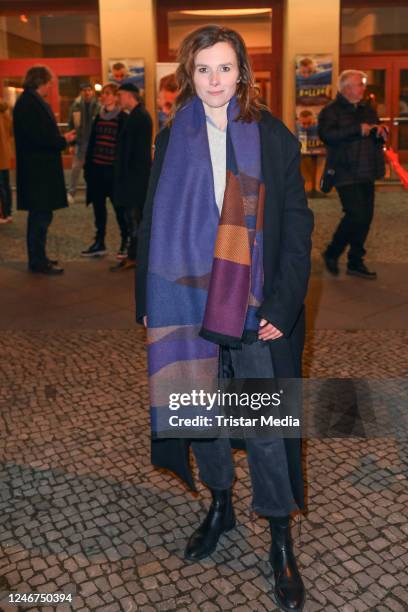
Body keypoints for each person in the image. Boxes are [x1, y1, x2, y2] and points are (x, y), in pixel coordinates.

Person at [136, 26, 313, 611]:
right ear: (189, 74)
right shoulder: (173, 137)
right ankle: (220, 502)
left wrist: (283, 307)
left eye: (226, 68)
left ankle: (280, 537)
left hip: (254, 304)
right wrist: (148, 299)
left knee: (266, 424)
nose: (215, 80)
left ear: (243, 73)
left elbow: (297, 228)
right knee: (202, 414)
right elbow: (151, 220)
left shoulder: (272, 136)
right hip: (187, 304)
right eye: (204, 69)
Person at [318, 70, 387, 280]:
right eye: (360, 84)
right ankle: (332, 252)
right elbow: (327, 136)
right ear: (347, 88)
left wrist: (380, 132)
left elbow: (373, 135)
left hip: (368, 170)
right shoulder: (331, 110)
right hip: (344, 171)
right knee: (356, 214)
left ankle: (356, 261)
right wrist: (357, 129)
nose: (363, 88)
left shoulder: (367, 108)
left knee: (365, 218)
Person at [13, 65, 76, 274]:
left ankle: (39, 258)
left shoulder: (29, 101)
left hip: (38, 172)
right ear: (40, 81)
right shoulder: (29, 103)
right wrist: (62, 140)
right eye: (49, 82)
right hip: (38, 173)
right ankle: (38, 261)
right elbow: (38, 137)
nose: (51, 86)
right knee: (40, 218)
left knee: (40, 217)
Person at [81, 83, 127, 258]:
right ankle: (100, 242)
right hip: (97, 171)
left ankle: (125, 240)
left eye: (109, 94)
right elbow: (92, 143)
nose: (105, 97)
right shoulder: (98, 118)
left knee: (119, 209)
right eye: (103, 94)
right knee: (98, 209)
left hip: (113, 173)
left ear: (116, 97)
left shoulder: (123, 118)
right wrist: (88, 168)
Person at [111, 83, 152, 271]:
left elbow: (135, 153)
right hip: (133, 178)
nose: (118, 99)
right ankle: (134, 255)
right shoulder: (135, 116)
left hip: (135, 179)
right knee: (132, 218)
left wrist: (124, 175)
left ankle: (135, 256)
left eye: (120, 95)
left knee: (135, 219)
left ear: (129, 96)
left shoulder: (140, 117)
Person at [67, 83, 100, 205]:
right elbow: (70, 124)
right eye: (84, 90)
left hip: (94, 144)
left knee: (93, 170)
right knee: (75, 169)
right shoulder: (75, 106)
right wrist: (71, 144)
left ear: (92, 92)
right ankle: (71, 193)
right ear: (81, 92)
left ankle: (93, 193)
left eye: (89, 90)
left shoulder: (98, 106)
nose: (87, 92)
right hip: (80, 143)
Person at [0, 99, 13, 224]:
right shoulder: (5, 115)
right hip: (5, 156)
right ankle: (8, 212)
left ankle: (3, 214)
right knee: (6, 185)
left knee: (2, 186)